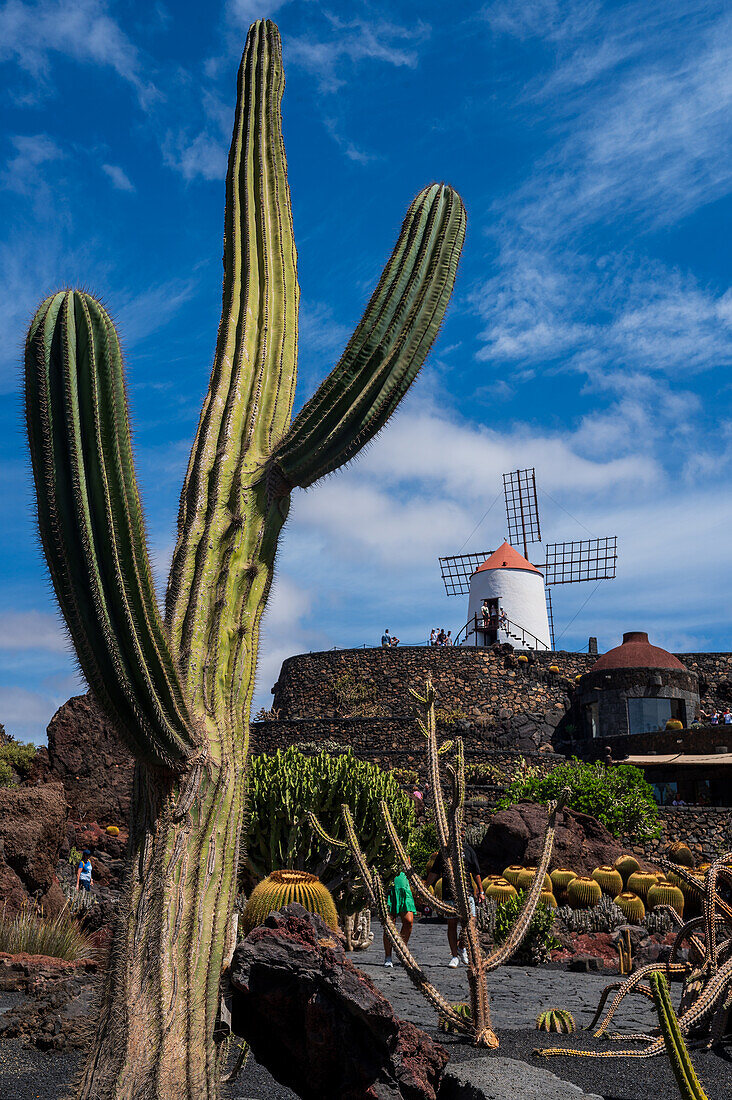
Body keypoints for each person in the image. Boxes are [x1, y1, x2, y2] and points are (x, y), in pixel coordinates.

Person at [425, 834, 484, 967]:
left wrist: (481, 891)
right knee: (452, 925)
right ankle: (454, 956)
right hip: (449, 894)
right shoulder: (444, 853)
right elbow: (435, 872)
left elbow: (476, 872)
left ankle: (461, 946)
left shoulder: (468, 850)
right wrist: (425, 887)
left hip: (467, 893)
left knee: (471, 923)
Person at [383, 871, 416, 967]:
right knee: (389, 924)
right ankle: (388, 957)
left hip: (404, 886)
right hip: (389, 884)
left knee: (408, 921)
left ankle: (401, 952)